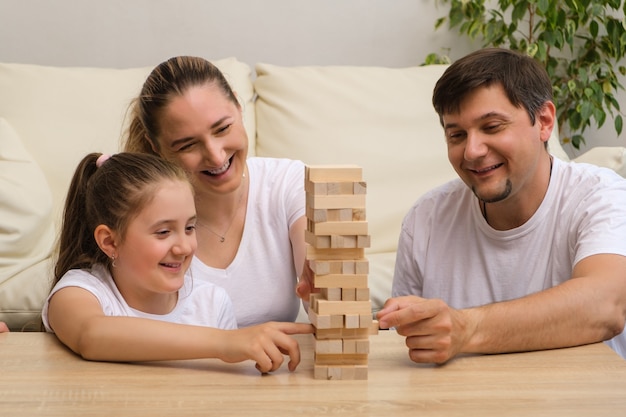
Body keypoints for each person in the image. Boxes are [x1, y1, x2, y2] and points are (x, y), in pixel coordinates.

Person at [377, 48, 626, 363]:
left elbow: (605, 306)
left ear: (545, 122)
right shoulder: (426, 218)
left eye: (492, 127)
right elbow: (405, 344)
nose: (472, 151)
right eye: (456, 135)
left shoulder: (603, 196)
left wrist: (467, 327)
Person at [42, 152, 313, 373]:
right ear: (110, 242)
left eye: (190, 228)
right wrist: (226, 341)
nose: (185, 247)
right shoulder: (80, 291)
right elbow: (92, 335)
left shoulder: (212, 303)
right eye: (163, 232)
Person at [124, 56, 314, 328]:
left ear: (238, 105)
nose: (215, 156)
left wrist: (323, 271)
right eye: (188, 145)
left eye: (222, 128)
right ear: (157, 148)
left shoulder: (288, 182)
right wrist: (229, 345)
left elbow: (317, 264)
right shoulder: (139, 213)